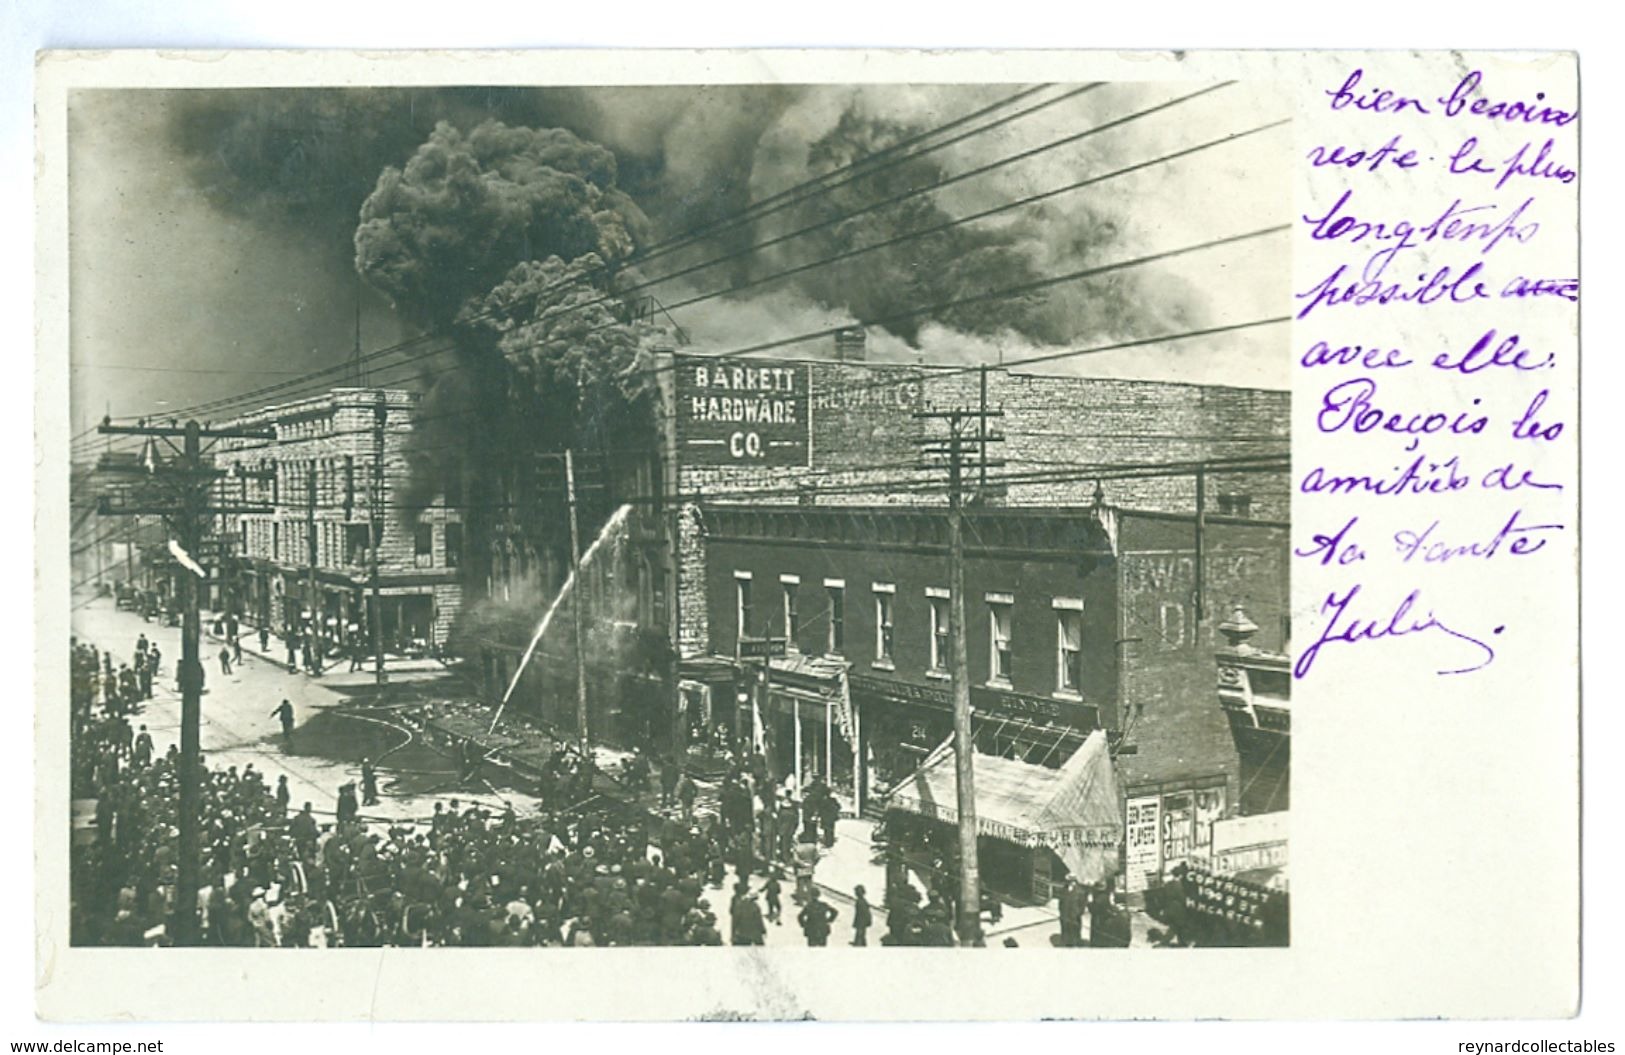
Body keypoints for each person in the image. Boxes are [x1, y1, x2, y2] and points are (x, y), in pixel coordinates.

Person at [1057, 877, 1085, 948]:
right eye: (1068, 881)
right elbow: (1061, 901)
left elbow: (1083, 904)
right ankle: (1066, 943)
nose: (1069, 882)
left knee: (1074, 931)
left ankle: (1075, 944)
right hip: (1065, 914)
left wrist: (1078, 913)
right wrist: (1061, 911)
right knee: (1065, 931)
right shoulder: (1064, 889)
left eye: (1070, 881)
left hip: (1074, 916)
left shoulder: (1080, 891)